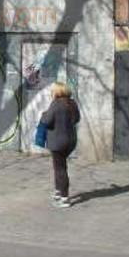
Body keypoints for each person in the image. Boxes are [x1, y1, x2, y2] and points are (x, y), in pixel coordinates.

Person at [40, 81, 80, 209]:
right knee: (60, 166)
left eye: (53, 90)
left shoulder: (56, 104)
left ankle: (64, 198)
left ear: (57, 91)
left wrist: (43, 114)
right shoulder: (72, 103)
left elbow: (47, 121)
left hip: (58, 142)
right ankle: (58, 192)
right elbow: (77, 119)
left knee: (60, 169)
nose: (51, 92)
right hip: (70, 141)